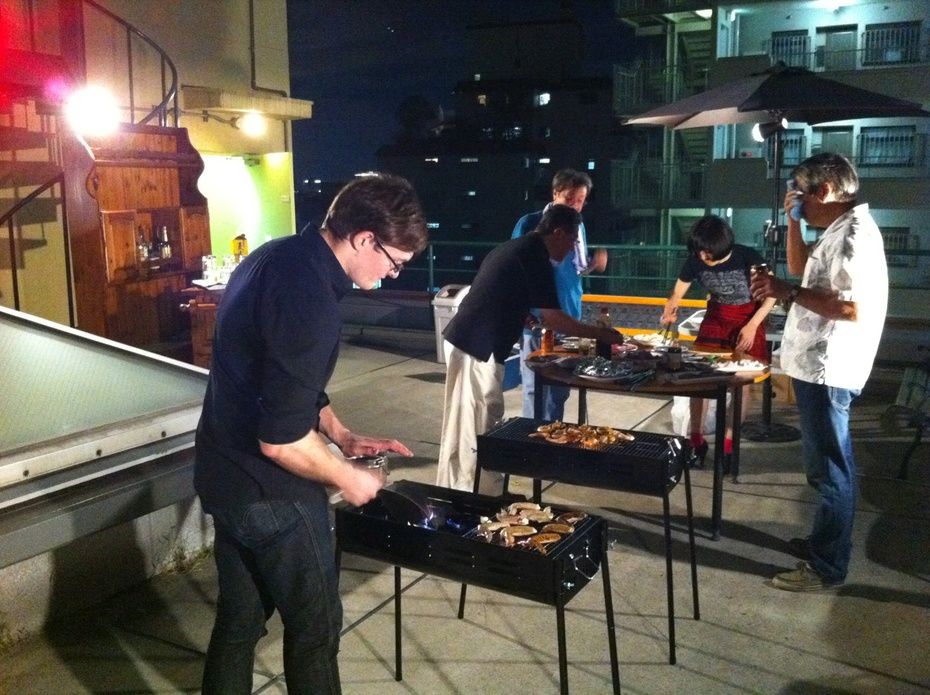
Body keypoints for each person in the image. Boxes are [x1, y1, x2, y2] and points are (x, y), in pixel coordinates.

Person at [195, 173, 428, 693]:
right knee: (316, 631)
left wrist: (340, 434)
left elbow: (280, 377)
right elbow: (279, 441)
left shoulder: (273, 256)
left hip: (221, 475)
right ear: (364, 238)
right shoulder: (311, 301)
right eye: (395, 262)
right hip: (270, 493)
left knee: (239, 623)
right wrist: (349, 477)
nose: (392, 274)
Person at [750, 152, 887, 592]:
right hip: (817, 367)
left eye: (801, 193)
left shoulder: (852, 237)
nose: (797, 201)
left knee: (831, 472)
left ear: (823, 191)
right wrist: (793, 223)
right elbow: (798, 268)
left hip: (829, 369)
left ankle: (827, 567)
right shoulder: (837, 230)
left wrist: (786, 292)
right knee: (827, 469)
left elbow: (849, 307)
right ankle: (823, 544)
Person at [437, 204, 623, 493]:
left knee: (464, 425)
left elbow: (502, 291)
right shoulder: (535, 255)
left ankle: (467, 489)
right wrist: (601, 334)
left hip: (469, 341)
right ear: (558, 232)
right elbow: (555, 318)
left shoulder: (519, 247)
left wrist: (524, 315)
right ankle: (480, 496)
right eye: (572, 240)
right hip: (477, 347)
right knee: (480, 425)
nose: (572, 249)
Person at [661, 215, 776, 468]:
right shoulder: (696, 260)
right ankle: (696, 440)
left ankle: (728, 442)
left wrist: (753, 326)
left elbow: (771, 296)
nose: (702, 256)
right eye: (699, 251)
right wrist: (670, 309)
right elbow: (677, 292)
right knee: (699, 377)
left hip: (748, 317)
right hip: (717, 316)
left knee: (741, 381)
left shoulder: (748, 258)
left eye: (707, 251)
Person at [512, 169, 608, 420]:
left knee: (560, 387)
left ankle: (554, 434)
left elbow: (574, 267)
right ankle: (532, 436)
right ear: (555, 194)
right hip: (538, 320)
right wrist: (525, 314)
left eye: (580, 200)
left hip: (569, 315)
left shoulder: (578, 226)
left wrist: (593, 263)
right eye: (569, 199)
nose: (574, 206)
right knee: (535, 386)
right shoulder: (530, 223)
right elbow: (517, 268)